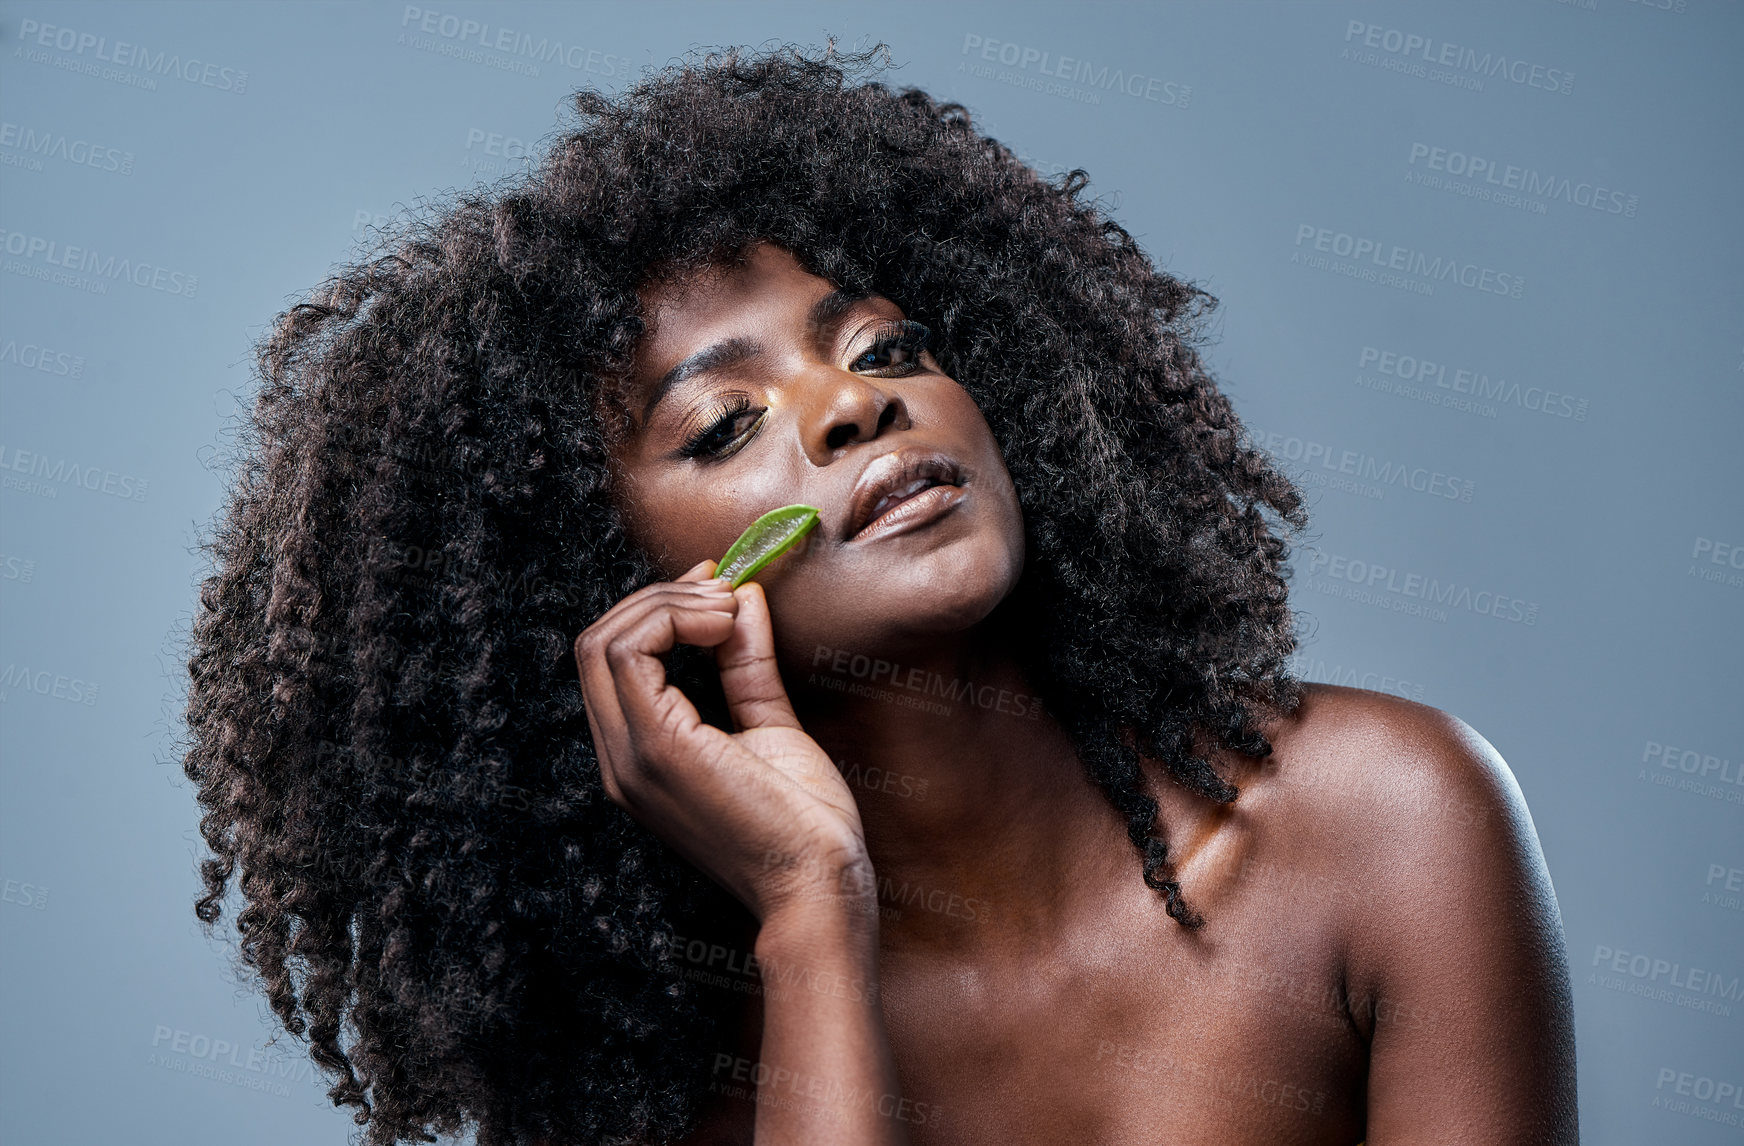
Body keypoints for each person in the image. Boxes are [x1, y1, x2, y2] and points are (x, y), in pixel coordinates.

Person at [180, 41, 1577, 1146]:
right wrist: (809, 913)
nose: (856, 404)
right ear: (623, 596)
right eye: (726, 425)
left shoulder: (1385, 824)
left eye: (884, 344)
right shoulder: (646, 1097)